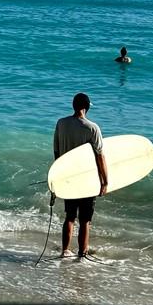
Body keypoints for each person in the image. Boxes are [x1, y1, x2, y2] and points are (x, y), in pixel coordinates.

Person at [52, 92, 108, 259]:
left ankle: (65, 250)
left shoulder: (61, 124)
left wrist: (58, 174)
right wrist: (104, 181)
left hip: (68, 178)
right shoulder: (92, 128)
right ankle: (82, 253)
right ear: (86, 107)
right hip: (86, 180)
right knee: (85, 220)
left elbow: (56, 150)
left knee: (69, 217)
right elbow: (100, 156)